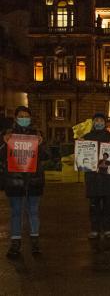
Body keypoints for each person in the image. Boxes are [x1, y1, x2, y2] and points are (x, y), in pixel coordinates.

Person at [1, 106, 49, 258]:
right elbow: (1, 156)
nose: (24, 119)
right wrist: (4, 144)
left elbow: (47, 155)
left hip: (34, 180)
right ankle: (15, 244)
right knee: (16, 213)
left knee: (33, 212)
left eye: (26, 116)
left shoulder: (37, 134)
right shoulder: (7, 135)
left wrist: (40, 145)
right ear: (15, 118)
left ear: (30, 119)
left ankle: (35, 243)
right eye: (21, 116)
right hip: (15, 181)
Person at [82, 113, 110, 242]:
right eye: (96, 120)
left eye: (101, 120)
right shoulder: (86, 137)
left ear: (105, 122)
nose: (99, 122)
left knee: (109, 205)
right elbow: (80, 157)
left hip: (108, 177)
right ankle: (95, 229)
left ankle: (108, 229)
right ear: (93, 122)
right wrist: (79, 145)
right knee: (94, 205)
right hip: (92, 177)